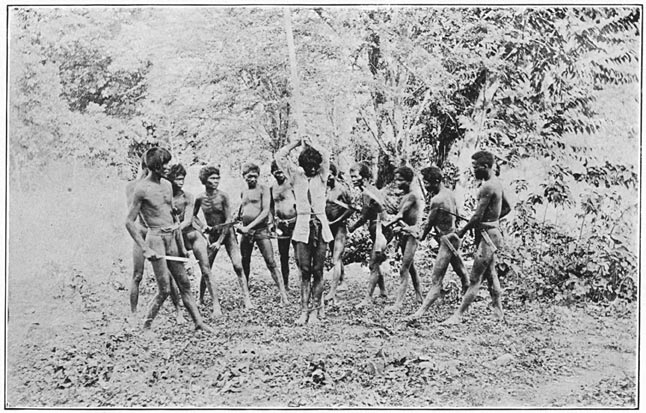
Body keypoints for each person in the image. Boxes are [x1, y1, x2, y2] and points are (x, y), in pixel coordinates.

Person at [125, 147, 213, 332]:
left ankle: (199, 323)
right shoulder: (141, 189)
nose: (168, 167)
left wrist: (181, 246)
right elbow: (129, 222)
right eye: (165, 163)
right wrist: (145, 248)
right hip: (155, 238)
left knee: (185, 284)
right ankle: (145, 326)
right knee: (164, 289)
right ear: (156, 166)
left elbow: (172, 215)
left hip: (172, 237)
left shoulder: (167, 184)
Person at [442, 151, 511, 325]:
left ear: (485, 167)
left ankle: (458, 316)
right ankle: (499, 313)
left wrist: (462, 231)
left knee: (474, 279)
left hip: (488, 237)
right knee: (491, 273)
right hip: (492, 233)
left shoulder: (487, 186)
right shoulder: (496, 183)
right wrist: (492, 220)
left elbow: (476, 217)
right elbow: (507, 208)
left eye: (475, 167)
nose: (473, 170)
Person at [275, 137, 333, 325]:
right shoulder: (296, 176)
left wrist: (311, 142)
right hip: (302, 225)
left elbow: (325, 155)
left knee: (318, 269)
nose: (313, 169)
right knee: (304, 269)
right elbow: (280, 156)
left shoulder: (322, 176)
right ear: (303, 166)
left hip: (320, 223)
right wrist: (296, 143)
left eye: (316, 166)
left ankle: (316, 310)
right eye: (310, 167)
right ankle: (304, 311)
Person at [403, 166, 469, 322]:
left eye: (426, 182)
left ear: (436, 181)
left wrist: (420, 236)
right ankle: (466, 305)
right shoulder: (450, 195)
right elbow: (457, 216)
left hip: (447, 240)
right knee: (462, 272)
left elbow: (428, 224)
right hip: (453, 237)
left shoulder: (437, 200)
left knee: (436, 279)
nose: (425, 185)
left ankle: (420, 313)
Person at [125, 155, 185, 324]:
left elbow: (167, 209)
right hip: (142, 232)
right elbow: (131, 216)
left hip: (157, 234)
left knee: (170, 276)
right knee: (137, 275)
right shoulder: (134, 187)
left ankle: (178, 310)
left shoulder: (163, 184)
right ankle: (134, 314)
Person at [167, 164, 225, 318]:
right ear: (170, 180)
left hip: (191, 235)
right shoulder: (164, 198)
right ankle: (179, 311)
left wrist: (174, 228)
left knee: (206, 269)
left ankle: (216, 305)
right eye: (177, 179)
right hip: (173, 239)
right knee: (173, 275)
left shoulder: (188, 196)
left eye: (182, 179)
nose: (180, 182)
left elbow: (187, 220)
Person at [194, 165, 253, 310]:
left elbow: (227, 220)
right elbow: (192, 216)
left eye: (217, 178)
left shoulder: (223, 196)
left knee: (238, 265)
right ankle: (200, 298)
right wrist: (203, 227)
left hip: (227, 233)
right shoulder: (200, 198)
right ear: (204, 180)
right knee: (206, 267)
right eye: (212, 178)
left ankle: (247, 299)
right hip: (212, 234)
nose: (216, 181)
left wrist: (220, 242)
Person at [238, 162, 288, 303]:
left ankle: (283, 294)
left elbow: (265, 211)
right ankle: (246, 294)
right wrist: (240, 222)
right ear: (244, 177)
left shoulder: (264, 189)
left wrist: (250, 226)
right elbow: (243, 209)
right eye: (249, 176)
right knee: (245, 261)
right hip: (246, 232)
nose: (252, 179)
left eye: (255, 176)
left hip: (260, 230)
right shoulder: (243, 191)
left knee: (271, 262)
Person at [347, 162, 392, 308]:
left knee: (373, 263)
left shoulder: (367, 192)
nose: (353, 180)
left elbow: (364, 217)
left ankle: (367, 299)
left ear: (364, 177)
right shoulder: (369, 191)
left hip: (381, 230)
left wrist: (352, 226)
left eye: (355, 177)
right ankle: (383, 292)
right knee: (376, 262)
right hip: (379, 230)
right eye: (351, 177)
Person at [383, 166, 423, 312]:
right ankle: (419, 296)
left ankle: (398, 303)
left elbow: (400, 215)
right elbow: (401, 214)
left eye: (401, 180)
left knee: (404, 269)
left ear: (409, 180)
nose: (398, 183)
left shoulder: (413, 195)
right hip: (404, 234)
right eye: (396, 180)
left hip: (411, 235)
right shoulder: (405, 196)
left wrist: (387, 223)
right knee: (411, 267)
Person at [323, 162, 354, 303]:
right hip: (328, 226)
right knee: (335, 256)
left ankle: (332, 291)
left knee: (336, 257)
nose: (328, 176)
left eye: (330, 174)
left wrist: (336, 221)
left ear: (334, 174)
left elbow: (351, 208)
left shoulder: (341, 189)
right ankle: (342, 281)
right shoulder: (324, 189)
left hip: (339, 227)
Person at [270, 160, 300, 290]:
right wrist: (271, 221)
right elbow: (271, 206)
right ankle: (286, 283)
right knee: (283, 255)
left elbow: (301, 202)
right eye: (277, 172)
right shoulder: (272, 188)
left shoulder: (292, 184)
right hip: (281, 225)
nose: (279, 175)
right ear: (272, 173)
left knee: (299, 254)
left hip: (294, 222)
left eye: (281, 172)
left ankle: (302, 282)